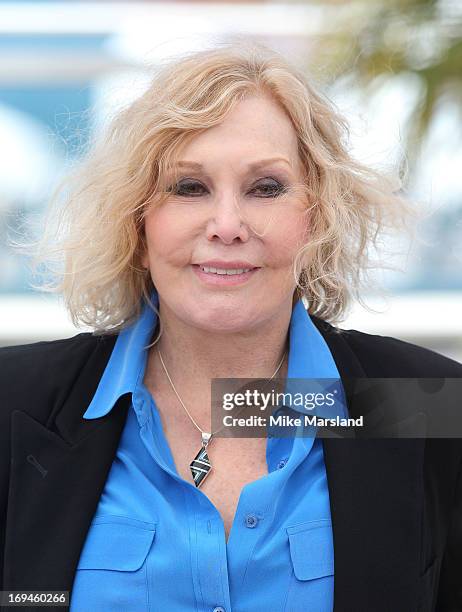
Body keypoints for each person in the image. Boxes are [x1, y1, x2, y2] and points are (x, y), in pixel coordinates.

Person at [1, 41, 461, 612]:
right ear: (138, 223)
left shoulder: (436, 408)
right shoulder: (11, 404)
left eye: (266, 188)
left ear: (317, 218)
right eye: (189, 188)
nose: (227, 225)